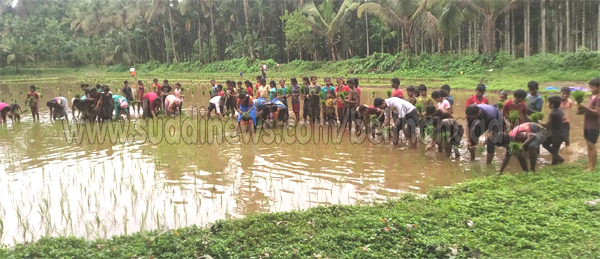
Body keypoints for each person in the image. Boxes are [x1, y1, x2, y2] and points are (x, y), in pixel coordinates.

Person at [577, 78, 600, 172]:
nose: (591, 90)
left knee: (591, 144)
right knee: (587, 143)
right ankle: (589, 163)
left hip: (594, 125)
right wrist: (581, 111)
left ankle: (592, 167)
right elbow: (589, 109)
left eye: (593, 88)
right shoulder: (592, 96)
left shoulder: (599, 98)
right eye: (590, 88)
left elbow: (597, 112)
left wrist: (585, 109)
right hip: (588, 123)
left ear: (599, 87)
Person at [541, 96, 566, 164]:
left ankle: (555, 164)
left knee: (554, 151)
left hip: (557, 135)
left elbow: (547, 125)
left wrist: (538, 122)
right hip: (558, 134)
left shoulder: (553, 113)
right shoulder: (559, 111)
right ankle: (559, 158)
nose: (548, 104)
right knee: (545, 144)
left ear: (552, 105)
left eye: (549, 103)